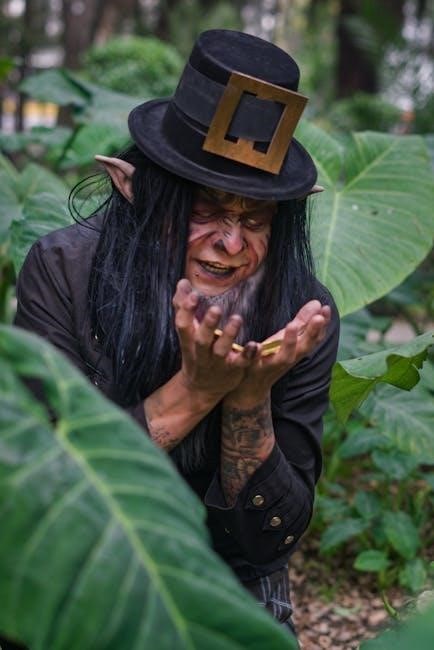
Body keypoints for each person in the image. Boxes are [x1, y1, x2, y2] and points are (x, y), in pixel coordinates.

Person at [14, 29, 339, 642]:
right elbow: (45, 499)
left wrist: (249, 396)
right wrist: (195, 391)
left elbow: (270, 541)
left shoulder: (301, 312)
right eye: (206, 211)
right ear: (133, 190)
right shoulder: (64, 270)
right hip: (79, 563)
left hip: (220, 574)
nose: (231, 243)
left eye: (254, 218)